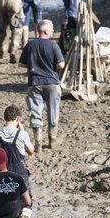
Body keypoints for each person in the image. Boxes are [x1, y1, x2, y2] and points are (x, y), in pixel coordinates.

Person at [19, 19, 66, 150]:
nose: (53, 31)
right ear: (45, 31)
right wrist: (52, 66)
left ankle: (38, 143)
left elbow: (21, 63)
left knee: (35, 112)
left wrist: (34, 64)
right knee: (53, 112)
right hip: (52, 82)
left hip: (34, 82)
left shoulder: (30, 45)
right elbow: (61, 64)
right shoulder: (53, 45)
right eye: (51, 29)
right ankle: (52, 140)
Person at [0, 105, 34, 189]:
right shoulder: (22, 134)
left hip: (3, 178)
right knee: (27, 202)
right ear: (17, 118)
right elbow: (31, 151)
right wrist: (23, 131)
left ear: (5, 118)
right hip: (21, 177)